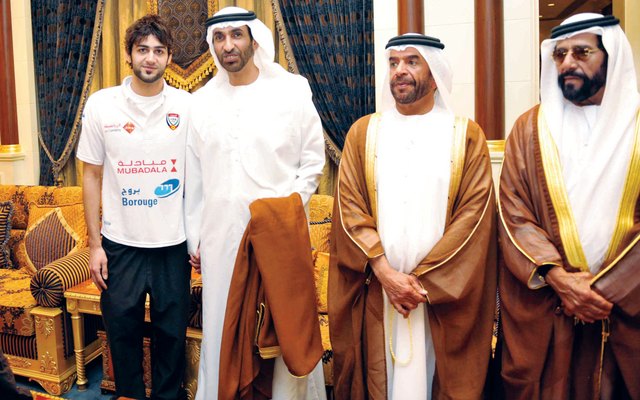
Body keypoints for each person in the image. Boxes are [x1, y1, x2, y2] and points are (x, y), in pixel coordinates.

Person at [328, 33, 497, 400]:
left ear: (435, 76)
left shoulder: (464, 135)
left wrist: (419, 285)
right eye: (393, 63)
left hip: (437, 298)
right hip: (379, 290)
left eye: (411, 62)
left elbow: (474, 217)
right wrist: (387, 275)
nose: (399, 71)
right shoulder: (363, 133)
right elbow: (349, 208)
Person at [184, 6, 326, 400]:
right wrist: (195, 237)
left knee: (283, 326)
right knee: (222, 326)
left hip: (278, 238)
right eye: (219, 37)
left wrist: (287, 212)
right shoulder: (201, 102)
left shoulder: (290, 91)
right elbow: (194, 177)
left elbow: (313, 161)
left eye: (236, 35)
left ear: (254, 39)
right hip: (221, 241)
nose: (228, 45)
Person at [498, 13, 640, 399]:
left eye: (582, 52)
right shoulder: (529, 129)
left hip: (625, 310)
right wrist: (560, 279)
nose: (568, 63)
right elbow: (513, 212)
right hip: (552, 305)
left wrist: (606, 289)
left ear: (610, 55)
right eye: (560, 54)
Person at [77, 14, 192, 400]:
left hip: (172, 245)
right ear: (129, 54)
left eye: (159, 51)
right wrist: (94, 245)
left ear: (169, 57)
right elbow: (91, 175)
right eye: (143, 49)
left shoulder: (187, 107)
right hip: (119, 245)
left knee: (171, 336)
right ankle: (128, 394)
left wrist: (199, 239)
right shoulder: (102, 105)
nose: (150, 58)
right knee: (121, 333)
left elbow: (199, 177)